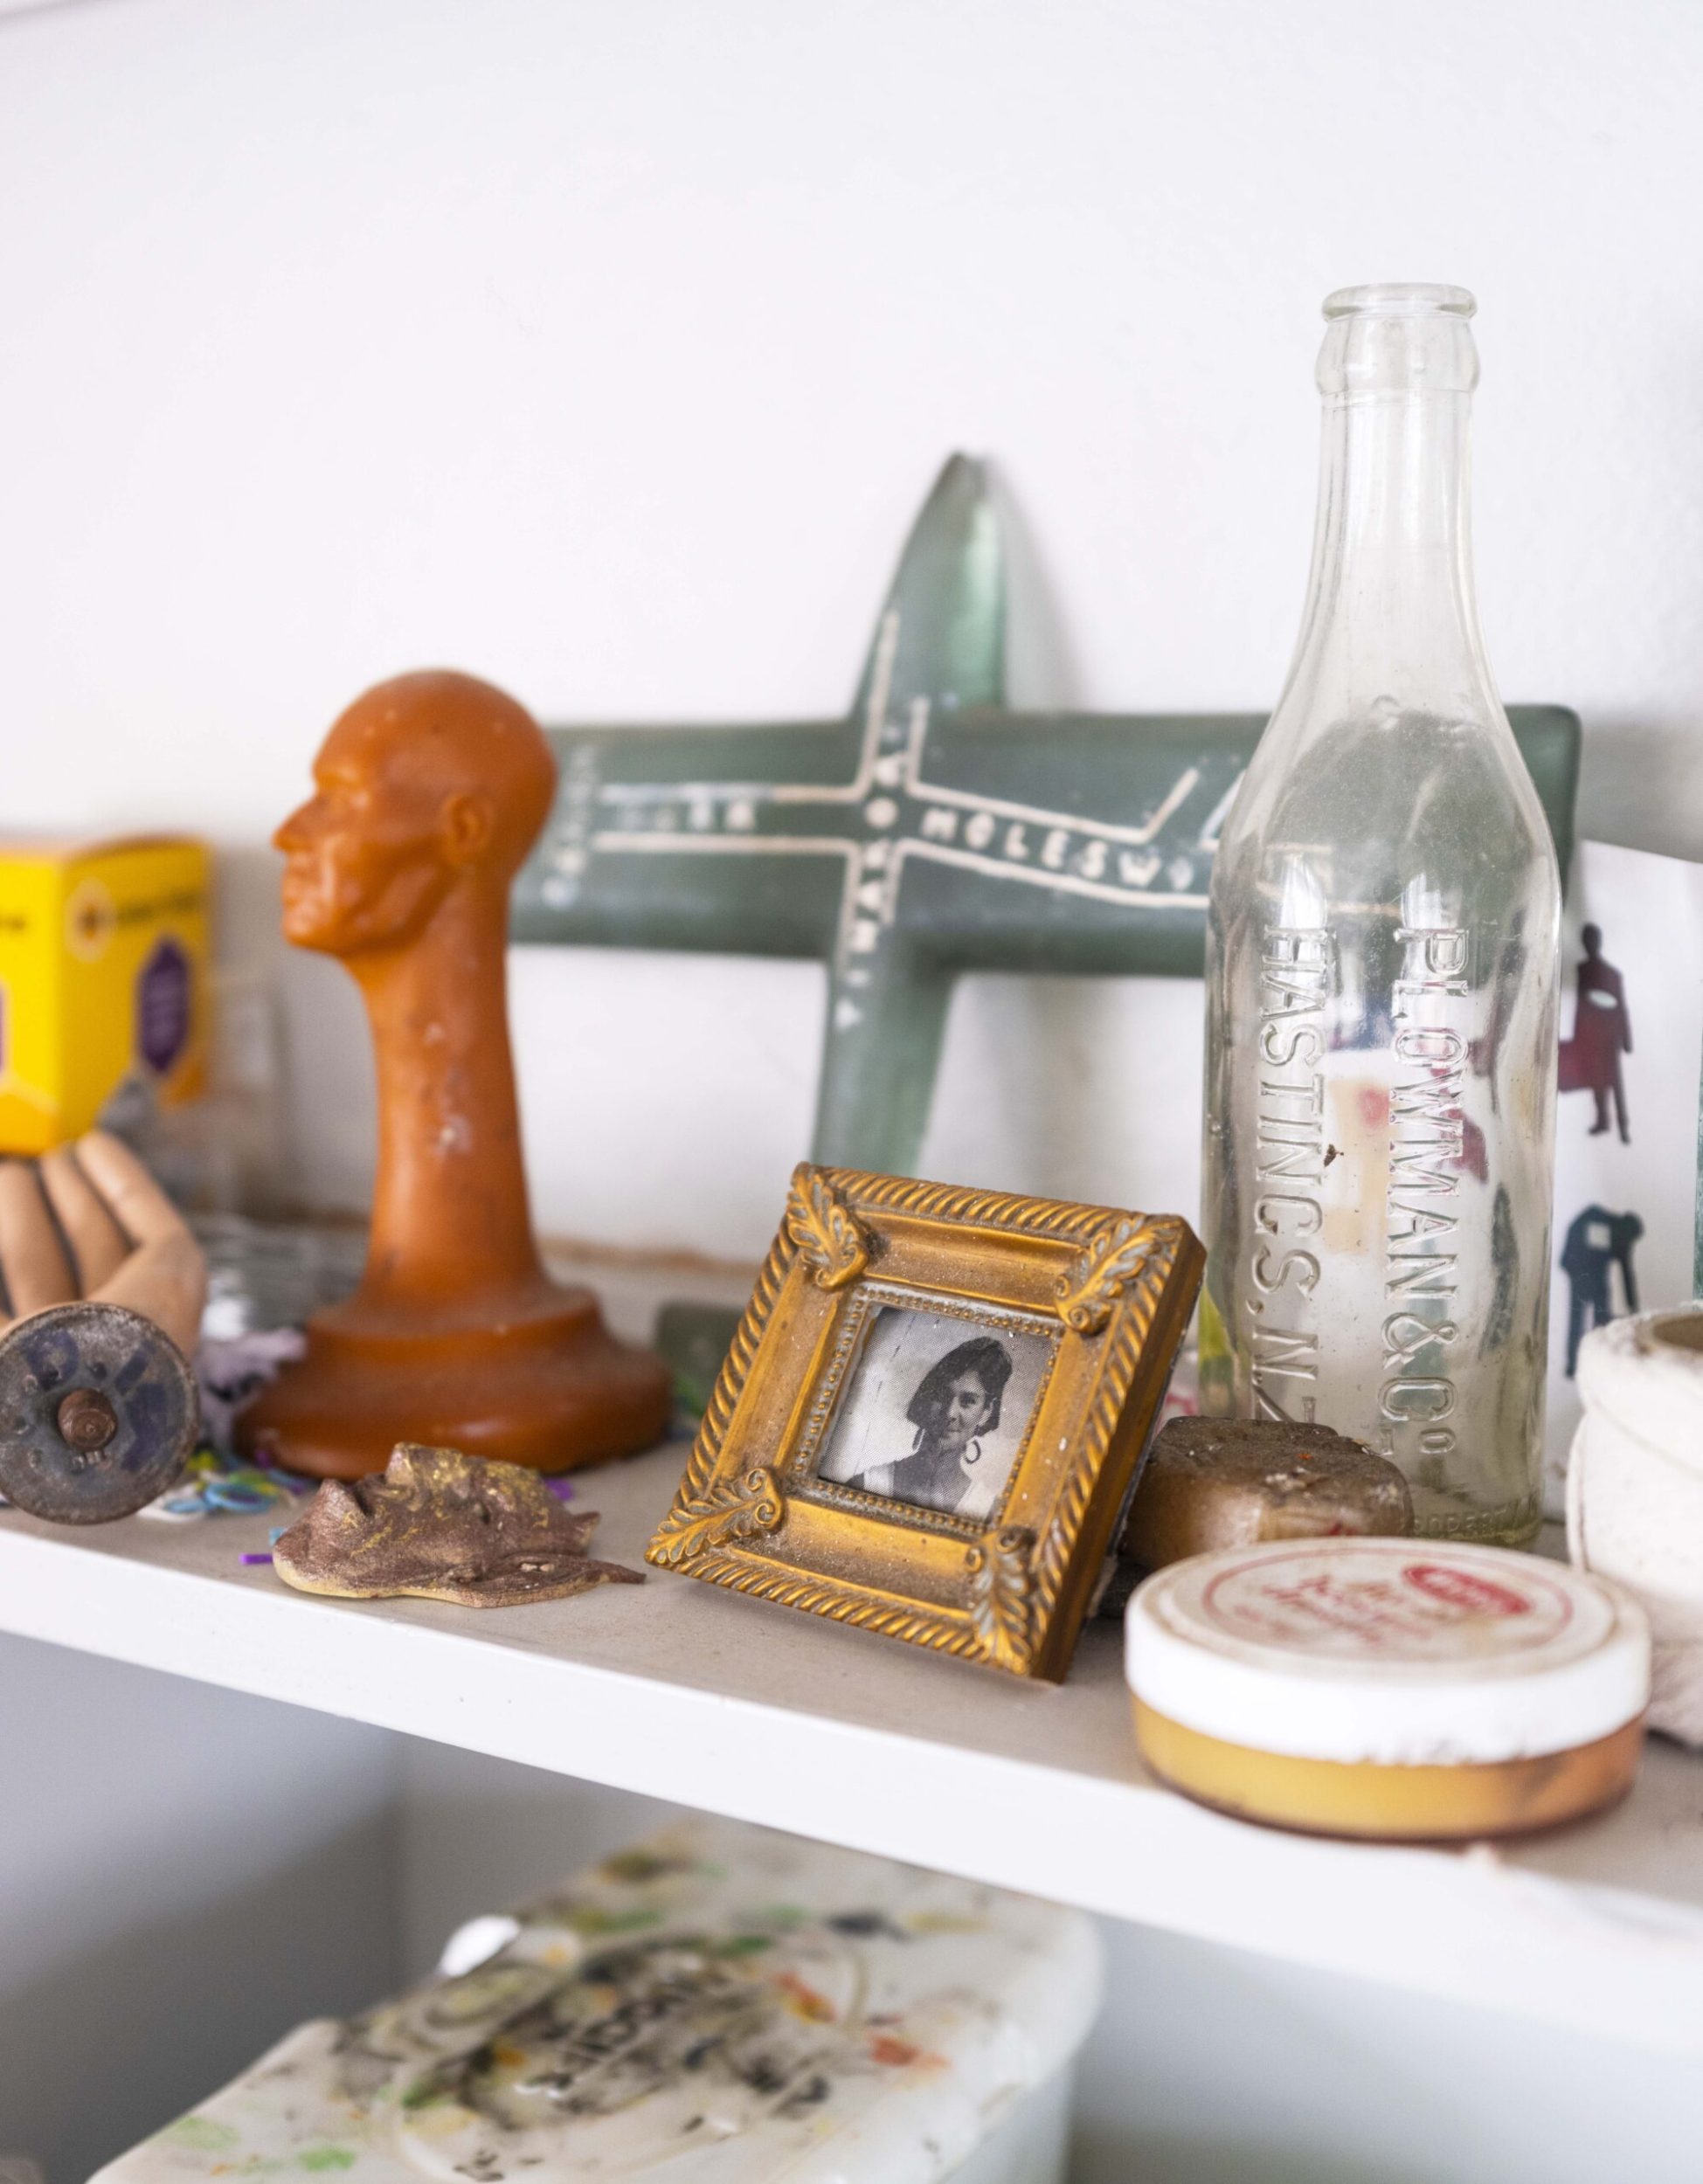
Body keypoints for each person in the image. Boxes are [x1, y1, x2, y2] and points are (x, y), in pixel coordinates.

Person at [850, 1335, 1014, 1517]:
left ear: (986, 1412)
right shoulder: (867, 1484)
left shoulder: (989, 1510)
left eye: (968, 1401)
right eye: (943, 1395)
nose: (949, 1413)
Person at [1561, 924, 1632, 1143]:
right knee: (1595, 1077)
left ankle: (1623, 1127)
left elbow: (1621, 1008)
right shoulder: (1583, 969)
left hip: (1608, 1037)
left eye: (1591, 940)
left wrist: (1626, 1039)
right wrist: (1577, 1034)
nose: (1589, 944)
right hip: (1590, 1035)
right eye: (1586, 940)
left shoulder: (1612, 974)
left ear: (1598, 942)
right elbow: (1582, 1005)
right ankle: (1603, 1120)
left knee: (1614, 1082)